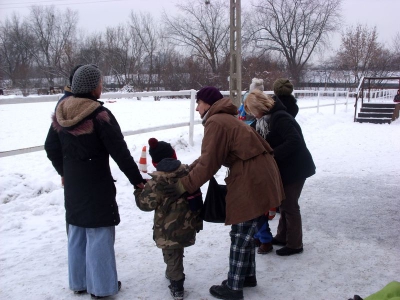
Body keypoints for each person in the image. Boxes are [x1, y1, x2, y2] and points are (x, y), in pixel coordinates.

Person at [158, 86, 285, 300]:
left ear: (208, 103)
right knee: (246, 231)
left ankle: (234, 287)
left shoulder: (216, 122)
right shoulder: (224, 119)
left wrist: (183, 185)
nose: (197, 108)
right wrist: (189, 169)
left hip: (251, 176)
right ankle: (247, 276)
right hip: (257, 172)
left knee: (240, 233)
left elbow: (209, 164)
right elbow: (210, 156)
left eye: (198, 103)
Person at [44, 64, 145, 299]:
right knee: (99, 233)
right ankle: (101, 288)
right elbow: (120, 151)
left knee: (77, 230)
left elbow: (51, 147)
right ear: (92, 87)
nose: (102, 87)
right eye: (100, 83)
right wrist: (137, 180)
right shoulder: (100, 115)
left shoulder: (62, 110)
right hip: (97, 184)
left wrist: (65, 172)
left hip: (74, 184)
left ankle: (79, 282)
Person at [244, 90, 315, 256]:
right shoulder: (264, 120)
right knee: (283, 204)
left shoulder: (280, 117)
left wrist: (271, 155)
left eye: (253, 111)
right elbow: (249, 132)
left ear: (260, 107)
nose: (253, 115)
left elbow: (294, 141)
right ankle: (283, 237)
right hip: (285, 168)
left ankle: (295, 244)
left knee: (290, 205)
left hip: (296, 168)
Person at [134, 138, 203, 300]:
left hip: (167, 230)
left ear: (154, 162)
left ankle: (177, 285)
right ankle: (173, 270)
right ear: (174, 155)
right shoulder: (187, 174)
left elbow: (145, 205)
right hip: (188, 224)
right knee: (176, 249)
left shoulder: (156, 182)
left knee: (171, 252)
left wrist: (138, 192)